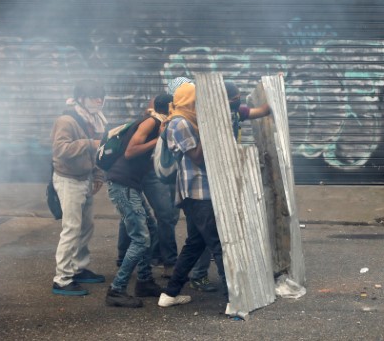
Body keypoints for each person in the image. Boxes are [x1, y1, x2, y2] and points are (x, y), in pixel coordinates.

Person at [187, 80, 272, 292]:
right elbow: (197, 155)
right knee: (202, 234)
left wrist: (275, 86)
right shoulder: (207, 119)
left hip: (226, 178)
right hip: (202, 182)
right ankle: (198, 275)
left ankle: (221, 277)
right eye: (234, 99)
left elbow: (262, 110)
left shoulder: (236, 113)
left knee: (216, 231)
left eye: (238, 98)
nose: (237, 102)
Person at [158, 82, 226, 308]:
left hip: (202, 191)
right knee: (218, 244)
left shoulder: (189, 121)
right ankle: (234, 298)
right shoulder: (179, 122)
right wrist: (211, 127)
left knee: (195, 245)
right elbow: (197, 156)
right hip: (197, 191)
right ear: (190, 100)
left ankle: (170, 294)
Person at [105, 94, 172, 307]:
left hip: (131, 185)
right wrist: (158, 139)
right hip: (122, 185)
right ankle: (116, 290)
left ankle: (144, 282)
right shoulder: (152, 122)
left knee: (150, 229)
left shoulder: (159, 122)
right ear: (170, 108)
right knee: (141, 239)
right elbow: (130, 151)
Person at [50, 79, 108, 296]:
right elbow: (60, 149)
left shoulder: (96, 119)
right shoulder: (67, 120)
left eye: (101, 95)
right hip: (68, 179)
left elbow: (99, 150)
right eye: (94, 96)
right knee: (72, 228)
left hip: (85, 177)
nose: (99, 100)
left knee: (86, 226)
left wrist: (98, 174)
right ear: (81, 99)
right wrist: (88, 143)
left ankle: (78, 268)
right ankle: (62, 279)